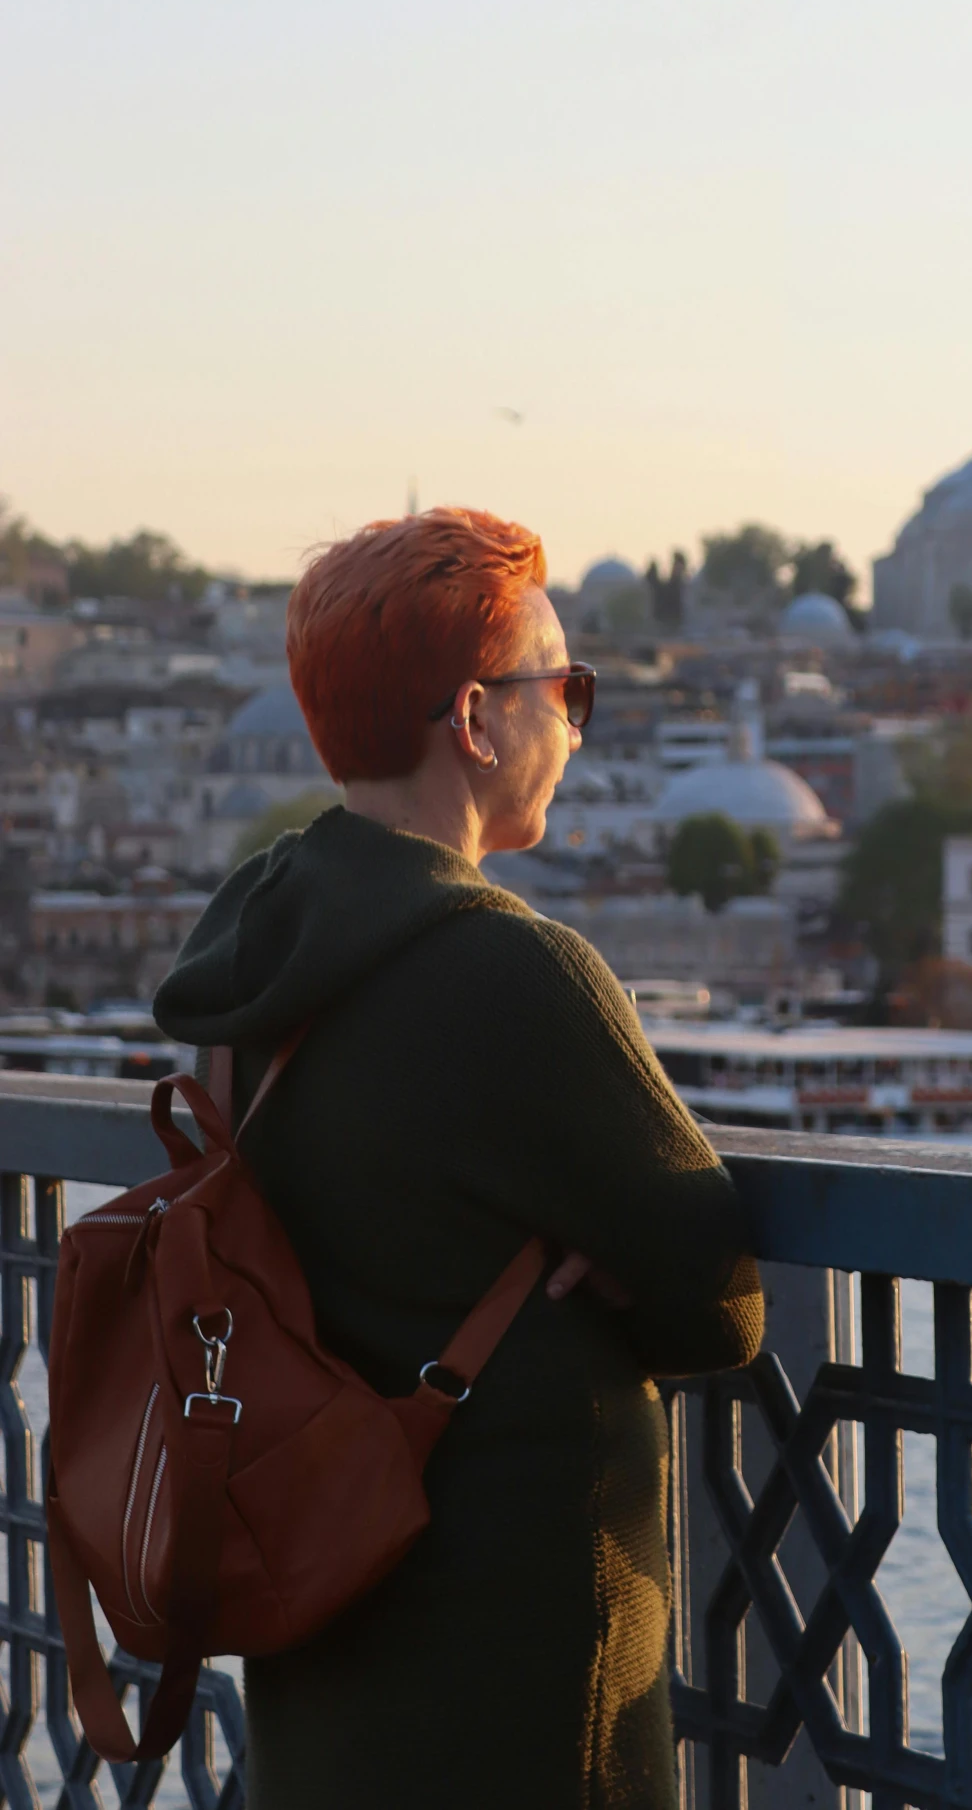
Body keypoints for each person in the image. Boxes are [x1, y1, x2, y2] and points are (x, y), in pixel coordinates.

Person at [154, 508, 764, 1809]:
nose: (578, 722)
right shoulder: (516, 973)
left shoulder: (253, 957)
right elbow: (721, 1307)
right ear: (477, 719)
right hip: (523, 1660)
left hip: (319, 1610)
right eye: (566, 686)